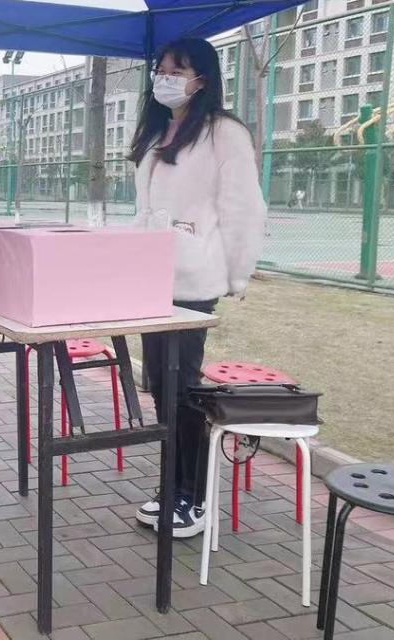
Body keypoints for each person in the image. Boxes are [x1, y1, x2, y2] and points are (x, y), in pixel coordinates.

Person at [129, 37, 266, 539]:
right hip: (150, 278)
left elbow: (243, 208)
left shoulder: (223, 133)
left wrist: (237, 273)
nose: (165, 78)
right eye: (161, 69)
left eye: (177, 70)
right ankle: (173, 487)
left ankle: (196, 497)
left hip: (191, 279)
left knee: (184, 389)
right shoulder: (158, 130)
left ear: (201, 80)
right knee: (161, 388)